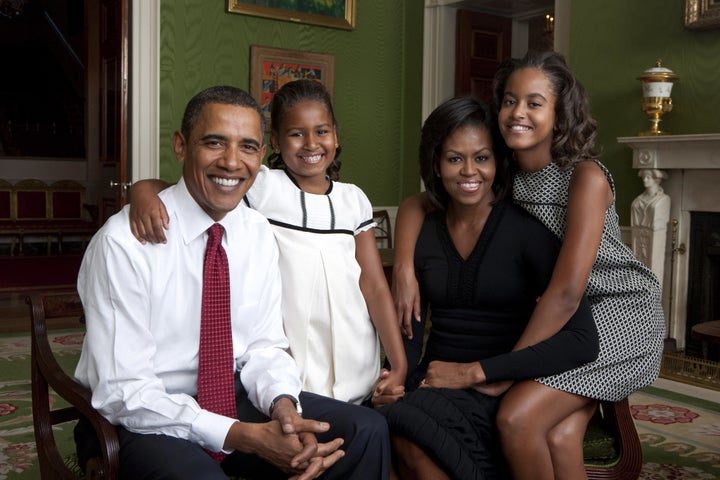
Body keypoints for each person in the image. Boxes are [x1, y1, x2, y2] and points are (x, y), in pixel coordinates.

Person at [73, 85, 391, 480]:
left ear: (261, 155)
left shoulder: (255, 230)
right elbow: (124, 392)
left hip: (231, 395)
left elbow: (264, 346)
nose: (231, 162)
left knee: (366, 431)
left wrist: (283, 408)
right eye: (214, 143)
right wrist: (247, 437)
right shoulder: (124, 243)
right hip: (140, 416)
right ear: (180, 146)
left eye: (248, 147)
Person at [392, 51, 665, 479]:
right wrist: (405, 266)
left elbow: (566, 292)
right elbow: (418, 203)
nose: (518, 112)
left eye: (534, 103)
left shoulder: (585, 177)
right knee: (560, 436)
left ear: (560, 114)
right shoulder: (506, 171)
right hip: (568, 317)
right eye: (509, 100)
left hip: (617, 313)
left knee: (516, 416)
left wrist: (502, 371)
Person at [128, 79, 406, 408]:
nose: (311, 144)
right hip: (291, 352)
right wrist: (141, 191)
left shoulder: (353, 200)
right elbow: (190, 190)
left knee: (360, 429)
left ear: (336, 136)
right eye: (296, 134)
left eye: (321, 131)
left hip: (353, 345)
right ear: (274, 141)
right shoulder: (262, 186)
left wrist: (398, 365)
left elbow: (373, 285)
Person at [379, 95, 599, 480]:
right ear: (435, 163)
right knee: (392, 424)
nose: (469, 171)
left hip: (499, 386)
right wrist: (393, 376)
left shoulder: (527, 230)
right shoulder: (424, 231)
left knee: (410, 430)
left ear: (497, 163)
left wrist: (482, 373)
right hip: (436, 380)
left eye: (481, 157)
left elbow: (581, 339)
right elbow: (410, 325)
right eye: (454, 158)